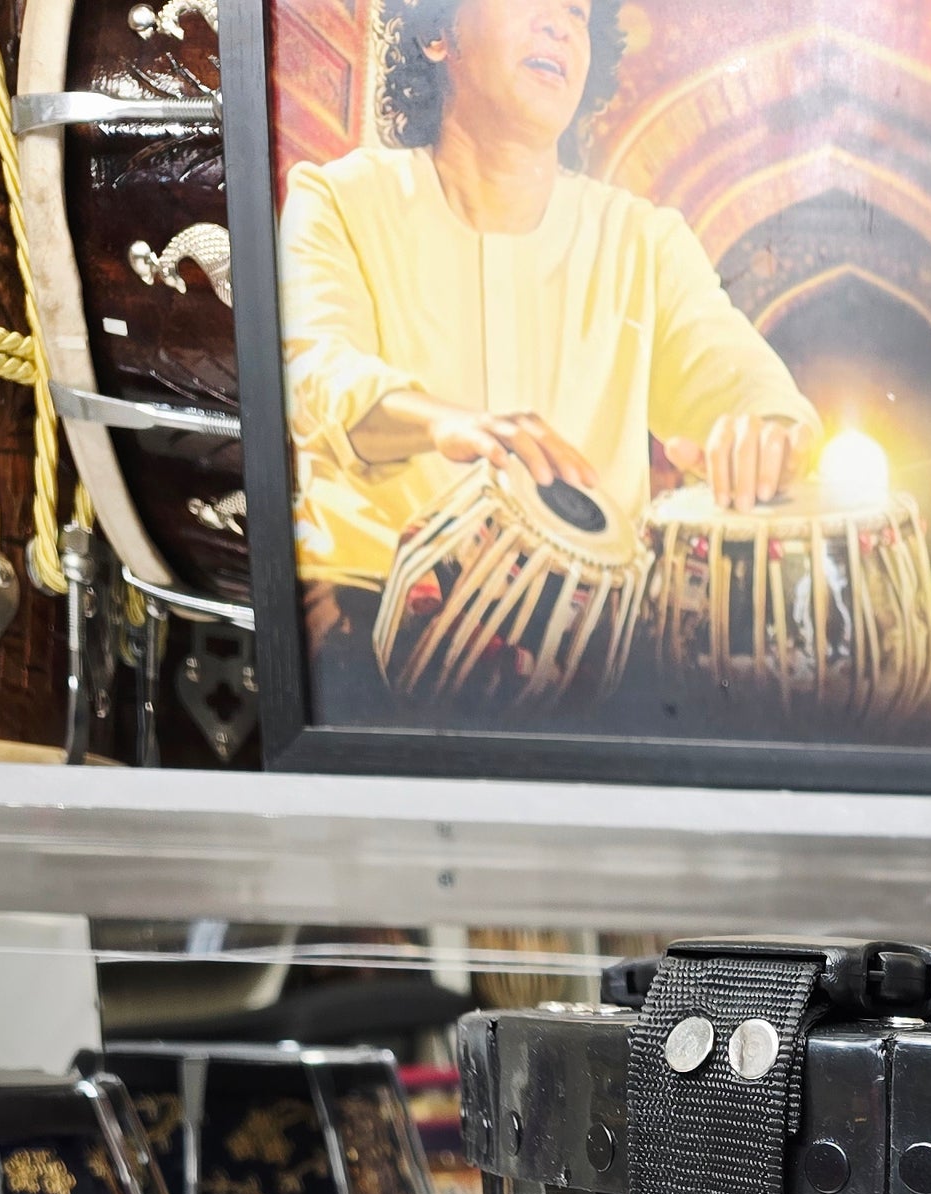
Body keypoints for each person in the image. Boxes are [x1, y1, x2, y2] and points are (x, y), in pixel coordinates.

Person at [280, 0, 818, 711]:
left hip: (592, 655)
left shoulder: (643, 241)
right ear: (436, 33)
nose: (561, 24)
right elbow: (316, 372)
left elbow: (736, 376)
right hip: (367, 631)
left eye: (576, 11)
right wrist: (444, 422)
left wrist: (766, 427)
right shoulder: (338, 201)